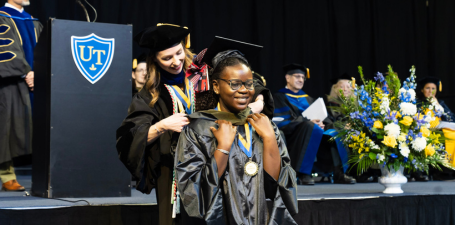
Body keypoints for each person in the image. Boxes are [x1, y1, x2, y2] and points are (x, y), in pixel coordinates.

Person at [175, 36, 298, 224]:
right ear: (216, 86)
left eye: (248, 84)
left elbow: (279, 188)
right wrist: (222, 147)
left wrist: (270, 138)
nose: (244, 90)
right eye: (235, 83)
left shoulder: (265, 125)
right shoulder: (198, 129)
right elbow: (192, 192)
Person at [116, 23, 196, 225]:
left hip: (211, 163)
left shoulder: (201, 75)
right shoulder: (149, 95)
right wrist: (163, 125)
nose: (176, 61)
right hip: (173, 170)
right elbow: (128, 137)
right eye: (167, 58)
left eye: (178, 53)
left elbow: (244, 78)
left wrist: (259, 99)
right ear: (155, 60)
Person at [273, 64, 355, 185]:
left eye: (303, 77)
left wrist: (322, 124)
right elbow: (283, 124)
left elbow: (326, 120)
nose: (301, 80)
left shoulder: (309, 99)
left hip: (315, 136)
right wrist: (307, 121)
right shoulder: (279, 97)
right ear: (287, 78)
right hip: (294, 138)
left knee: (335, 129)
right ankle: (303, 174)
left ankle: (340, 173)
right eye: (297, 76)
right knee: (310, 126)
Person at [0, 0, 42, 191]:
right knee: (6, 127)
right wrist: (27, 72)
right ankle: (7, 175)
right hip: (11, 83)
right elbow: (7, 50)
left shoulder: (34, 21)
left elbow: (46, 50)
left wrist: (41, 73)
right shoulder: (2, 17)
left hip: (39, 83)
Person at [417, 76, 455, 180]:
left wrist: (438, 106)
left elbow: (451, 118)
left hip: (441, 128)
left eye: (433, 88)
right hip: (424, 129)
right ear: (422, 90)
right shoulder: (418, 103)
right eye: (427, 88)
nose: (430, 91)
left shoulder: (440, 103)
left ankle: (449, 170)